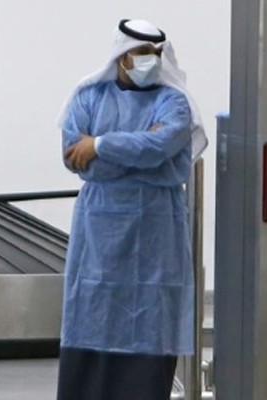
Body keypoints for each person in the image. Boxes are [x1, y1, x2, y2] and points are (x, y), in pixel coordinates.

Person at [56, 19, 207, 400]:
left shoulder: (174, 102)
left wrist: (100, 145)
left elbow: (159, 147)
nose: (150, 61)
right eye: (141, 53)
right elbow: (77, 158)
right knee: (93, 315)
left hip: (157, 233)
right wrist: (137, 152)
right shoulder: (88, 96)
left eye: (156, 54)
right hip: (98, 235)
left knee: (151, 323)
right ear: (122, 56)